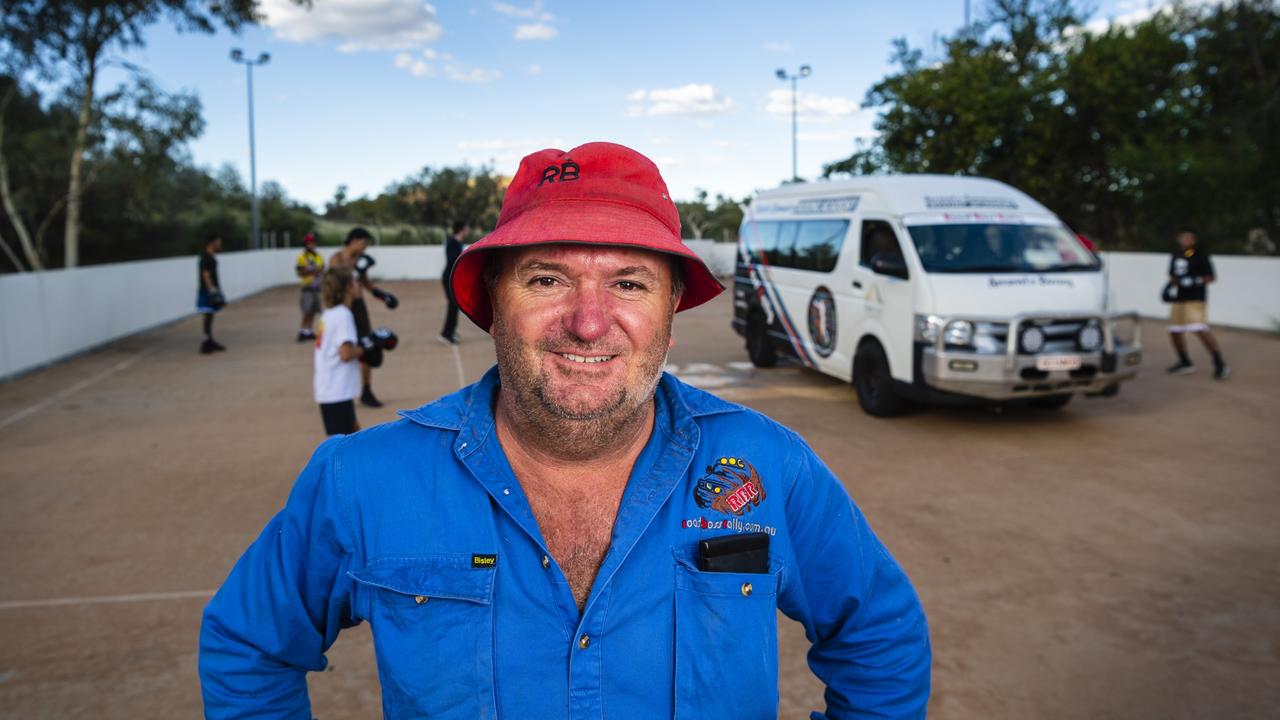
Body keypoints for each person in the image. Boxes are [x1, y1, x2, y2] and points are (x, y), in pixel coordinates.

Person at [199, 142, 931, 718]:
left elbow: (880, 634)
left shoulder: (772, 466)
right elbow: (248, 645)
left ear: (671, 312)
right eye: (547, 279)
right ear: (493, 300)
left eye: (629, 283)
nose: (588, 321)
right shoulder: (361, 480)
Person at [328, 227, 398, 407]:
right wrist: (355, 268)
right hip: (342, 306)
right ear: (355, 240)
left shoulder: (361, 261)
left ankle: (366, 390)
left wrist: (382, 296)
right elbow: (339, 281)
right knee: (344, 347)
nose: (365, 248)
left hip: (359, 307)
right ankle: (340, 390)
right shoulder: (336, 258)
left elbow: (365, 282)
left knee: (368, 344)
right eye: (364, 243)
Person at [1166, 229, 1230, 379]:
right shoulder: (1176, 255)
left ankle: (1220, 363)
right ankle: (1185, 362)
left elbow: (1211, 277)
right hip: (1179, 298)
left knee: (1199, 328)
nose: (1188, 239)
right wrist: (1170, 285)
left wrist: (1196, 280)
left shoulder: (1201, 255)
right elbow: (1172, 275)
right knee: (1175, 331)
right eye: (1185, 237)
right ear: (1179, 238)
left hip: (1196, 298)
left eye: (1191, 237)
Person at [313, 267, 364, 435]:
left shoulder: (328, 314)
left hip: (328, 389)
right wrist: (367, 346)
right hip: (337, 391)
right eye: (355, 281)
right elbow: (346, 353)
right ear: (348, 286)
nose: (358, 285)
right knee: (342, 447)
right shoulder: (343, 315)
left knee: (344, 437)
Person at [439, 218, 468, 345]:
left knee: (455, 305)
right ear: (462, 229)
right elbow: (452, 259)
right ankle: (446, 334)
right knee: (453, 305)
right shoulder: (452, 242)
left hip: (453, 277)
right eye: (466, 227)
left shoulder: (458, 242)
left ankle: (450, 331)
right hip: (448, 277)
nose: (468, 230)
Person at [196, 234, 226, 354]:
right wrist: (212, 289)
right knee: (207, 316)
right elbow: (205, 274)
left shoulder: (211, 256)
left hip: (211, 290)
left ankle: (209, 340)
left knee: (210, 316)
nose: (219, 244)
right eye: (218, 242)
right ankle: (205, 342)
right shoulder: (205, 257)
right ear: (212, 242)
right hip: (207, 291)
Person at [295, 232, 325, 342]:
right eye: (309, 243)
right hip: (307, 286)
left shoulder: (318, 256)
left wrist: (311, 270)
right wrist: (311, 270)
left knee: (313, 310)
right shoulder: (302, 257)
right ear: (305, 244)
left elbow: (321, 268)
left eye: (313, 243)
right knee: (306, 310)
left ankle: (308, 331)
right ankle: (302, 330)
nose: (311, 245)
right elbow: (300, 271)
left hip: (317, 286)